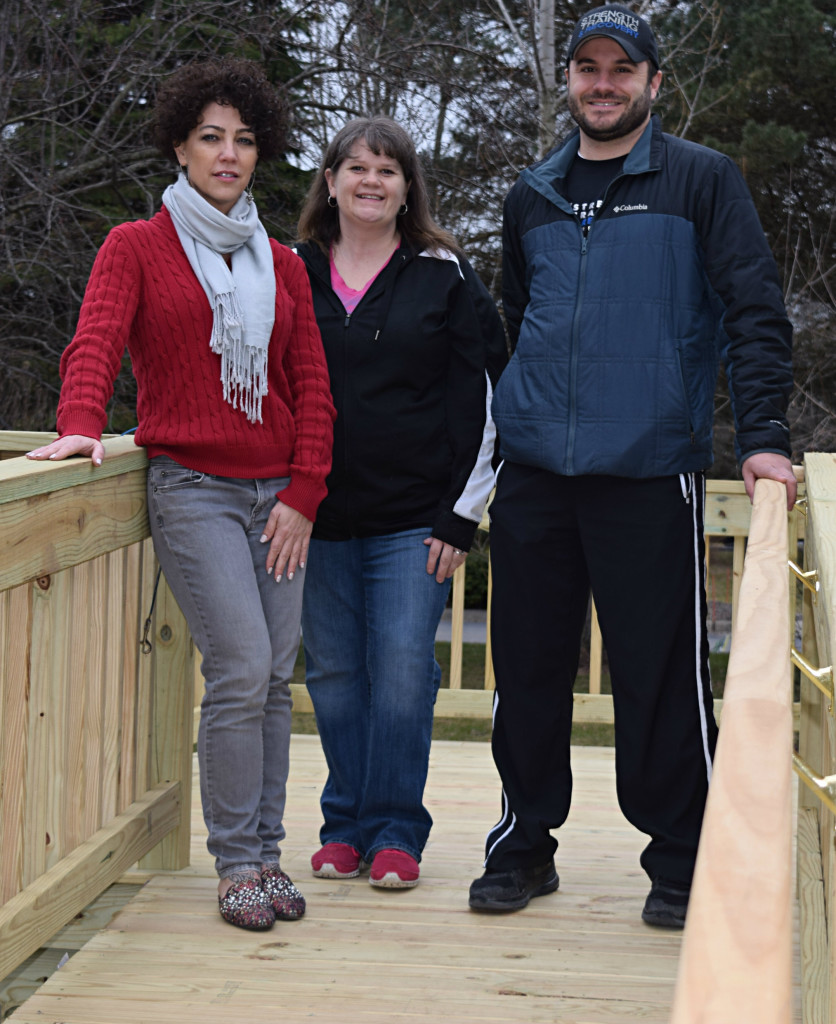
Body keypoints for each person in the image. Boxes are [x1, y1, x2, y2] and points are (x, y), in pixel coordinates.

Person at [468, 3, 796, 927]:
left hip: (651, 467)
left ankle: (683, 861)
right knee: (526, 670)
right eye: (587, 68)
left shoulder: (701, 181)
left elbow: (755, 313)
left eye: (622, 70)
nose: (602, 85)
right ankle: (523, 846)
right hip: (535, 472)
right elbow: (519, 319)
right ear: (568, 80)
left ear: (654, 83)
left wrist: (763, 434)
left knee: (658, 675)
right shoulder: (531, 193)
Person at [27, 58, 336, 931]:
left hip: (279, 495)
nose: (229, 154)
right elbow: (94, 342)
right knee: (239, 666)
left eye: (244, 140)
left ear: (259, 150)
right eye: (211, 138)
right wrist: (83, 422)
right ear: (181, 146)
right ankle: (237, 862)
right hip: (194, 488)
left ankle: (269, 854)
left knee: (275, 678)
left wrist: (306, 491)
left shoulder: (283, 263)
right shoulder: (136, 246)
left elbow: (311, 385)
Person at [294, 116, 507, 889]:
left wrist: (462, 514)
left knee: (404, 674)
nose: (371, 181)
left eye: (388, 170)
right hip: (312, 520)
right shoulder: (291, 271)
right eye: (357, 167)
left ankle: (394, 832)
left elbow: (485, 398)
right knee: (336, 677)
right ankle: (342, 824)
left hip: (414, 520)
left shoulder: (442, 273)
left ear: (407, 187)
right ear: (331, 180)